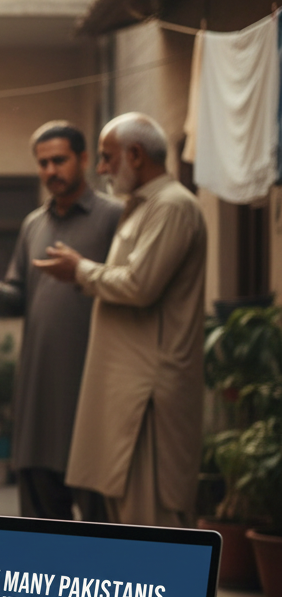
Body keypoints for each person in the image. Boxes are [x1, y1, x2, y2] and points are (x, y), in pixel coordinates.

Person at [36, 112, 207, 527]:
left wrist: (80, 270)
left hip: (148, 396)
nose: (102, 169)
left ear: (135, 154)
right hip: (127, 392)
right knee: (126, 524)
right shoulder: (143, 207)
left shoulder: (172, 206)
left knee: (152, 524)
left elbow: (139, 285)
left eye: (108, 157)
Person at [0, 121, 121, 521]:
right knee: (42, 520)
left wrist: (83, 270)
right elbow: (19, 295)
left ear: (83, 159)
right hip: (41, 390)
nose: (51, 170)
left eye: (59, 160)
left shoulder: (114, 217)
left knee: (102, 517)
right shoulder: (35, 224)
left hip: (93, 387)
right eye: (43, 163)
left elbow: (129, 286)